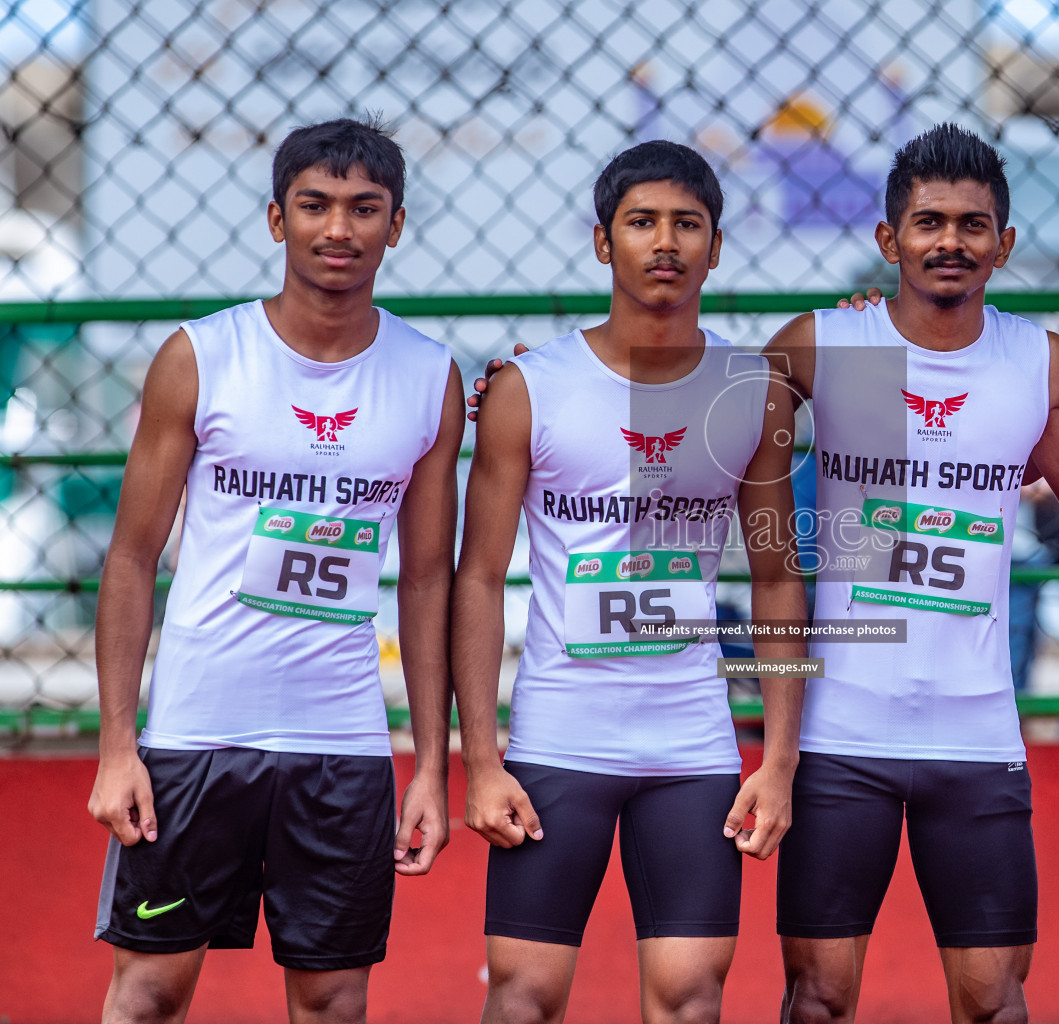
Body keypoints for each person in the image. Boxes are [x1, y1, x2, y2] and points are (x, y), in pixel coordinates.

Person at [765, 123, 1059, 1024]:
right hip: (840, 738)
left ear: (1004, 243)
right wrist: (520, 391)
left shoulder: (1032, 360)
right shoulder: (832, 345)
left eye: (973, 224)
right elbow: (696, 445)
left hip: (975, 741)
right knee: (818, 999)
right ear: (889, 239)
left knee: (994, 1005)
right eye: (929, 222)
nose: (951, 241)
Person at [87, 117, 462, 1024]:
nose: (339, 229)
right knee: (147, 992)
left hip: (341, 743)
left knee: (333, 997)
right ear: (275, 217)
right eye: (316, 206)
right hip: (195, 734)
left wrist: (431, 766)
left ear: (396, 225)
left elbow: (426, 583)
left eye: (364, 208)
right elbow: (134, 558)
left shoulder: (428, 376)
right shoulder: (201, 358)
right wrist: (115, 744)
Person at [451, 140, 805, 1024]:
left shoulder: (750, 389)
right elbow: (478, 577)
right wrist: (481, 758)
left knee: (690, 999)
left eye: (688, 224)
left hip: (691, 742)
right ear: (603, 241)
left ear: (717, 247)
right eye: (641, 222)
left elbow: (775, 577)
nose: (666, 243)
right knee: (523, 996)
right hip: (558, 735)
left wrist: (782, 762)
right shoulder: (529, 388)